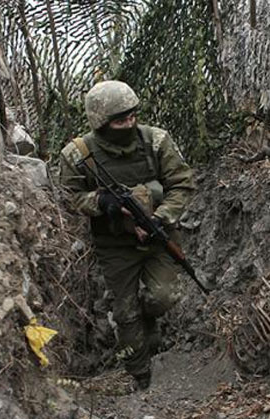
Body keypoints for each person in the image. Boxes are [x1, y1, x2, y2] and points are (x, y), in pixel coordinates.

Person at [58, 80, 195, 389]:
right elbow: (69, 197)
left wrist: (159, 218)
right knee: (124, 311)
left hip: (160, 235)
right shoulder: (77, 154)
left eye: (132, 116)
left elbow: (182, 184)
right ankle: (139, 375)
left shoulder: (156, 141)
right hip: (114, 244)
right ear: (100, 122)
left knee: (163, 297)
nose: (129, 124)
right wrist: (101, 202)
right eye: (120, 120)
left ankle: (152, 325)